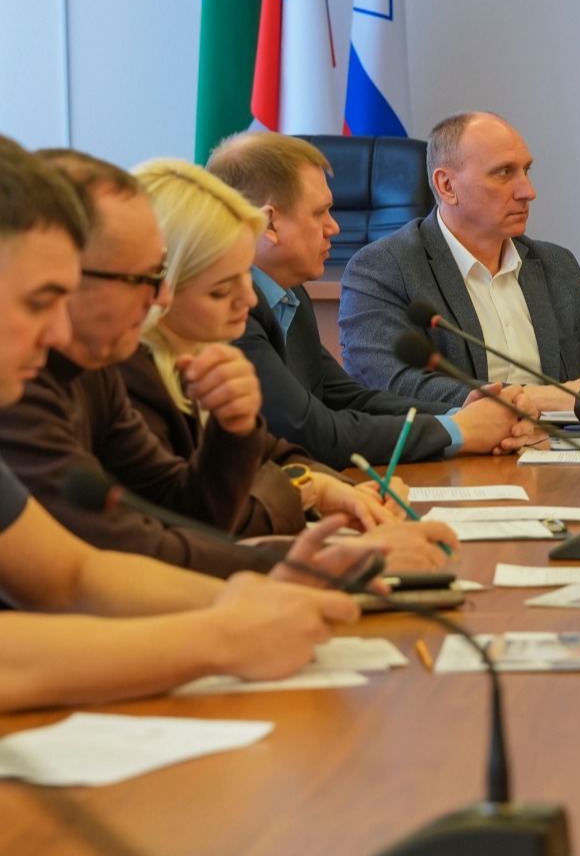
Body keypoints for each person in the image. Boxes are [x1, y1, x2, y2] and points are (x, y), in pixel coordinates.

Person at [0, 151, 361, 713]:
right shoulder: (40, 389)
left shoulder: (86, 373)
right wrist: (225, 634)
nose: (56, 330)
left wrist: (278, 585)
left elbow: (74, 575)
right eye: (40, 301)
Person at [129, 159, 455, 569]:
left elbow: (275, 453)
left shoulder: (197, 357)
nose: (250, 299)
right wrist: (307, 492)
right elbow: (200, 523)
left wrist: (340, 489)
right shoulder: (131, 378)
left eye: (245, 277)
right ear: (164, 289)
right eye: (222, 288)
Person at [0, 151, 275, 576]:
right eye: (143, 278)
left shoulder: (94, 368)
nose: (162, 298)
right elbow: (97, 569)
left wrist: (233, 431)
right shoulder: (19, 390)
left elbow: (181, 512)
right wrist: (287, 566)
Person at [205, 131, 534, 469]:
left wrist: (463, 413)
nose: (334, 227)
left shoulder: (289, 294)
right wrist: (460, 431)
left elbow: (347, 398)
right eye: (320, 213)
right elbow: (313, 433)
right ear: (269, 224)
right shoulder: (226, 311)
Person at [339, 112, 580, 413]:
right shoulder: (384, 269)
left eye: (526, 170)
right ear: (447, 186)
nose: (528, 191)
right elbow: (396, 385)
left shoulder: (555, 264)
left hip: (560, 450)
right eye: (504, 172)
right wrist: (557, 397)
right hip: (458, 454)